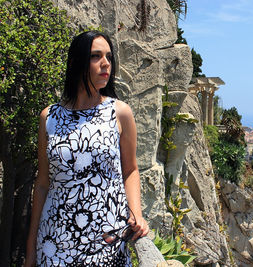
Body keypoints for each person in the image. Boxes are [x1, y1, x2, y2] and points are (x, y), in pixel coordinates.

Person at [24, 30, 149, 266]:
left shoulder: (119, 112)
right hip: (55, 242)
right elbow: (42, 184)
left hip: (107, 240)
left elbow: (130, 170)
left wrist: (137, 214)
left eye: (109, 57)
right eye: (95, 56)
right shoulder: (49, 117)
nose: (106, 64)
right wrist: (31, 251)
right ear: (76, 63)